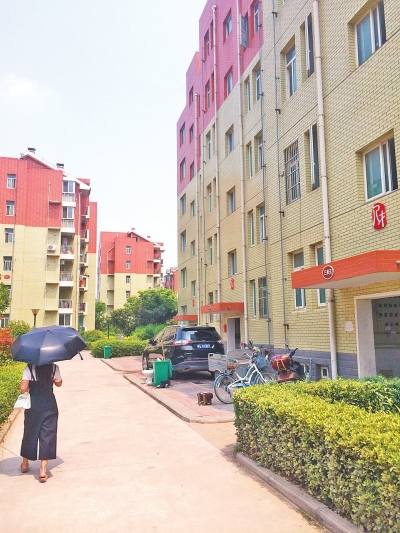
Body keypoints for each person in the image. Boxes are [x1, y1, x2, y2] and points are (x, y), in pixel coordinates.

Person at [20, 363, 62, 482]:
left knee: (30, 432)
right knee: (48, 434)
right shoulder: (54, 368)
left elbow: (23, 388)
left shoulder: (29, 368)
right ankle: (43, 471)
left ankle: (24, 464)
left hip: (33, 405)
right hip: (49, 404)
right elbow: (59, 384)